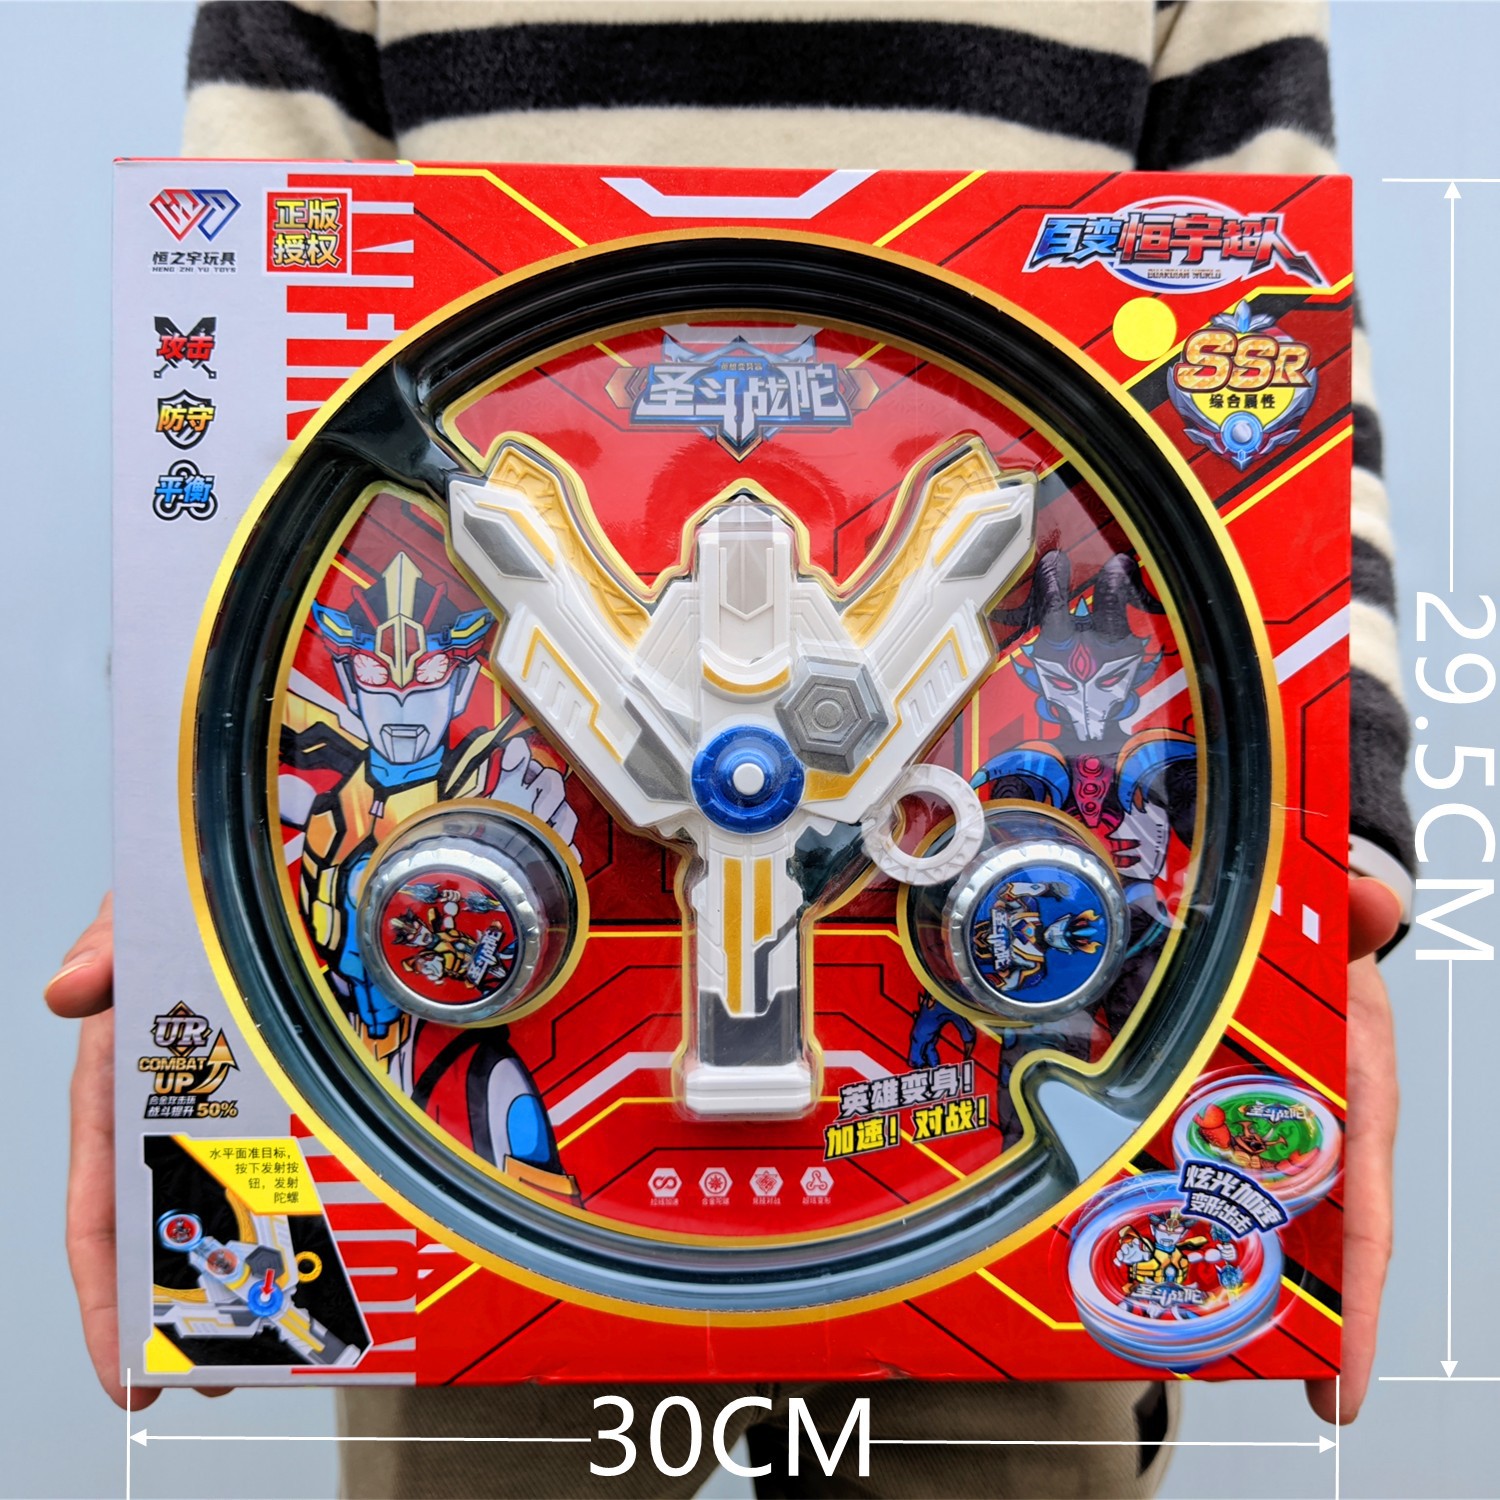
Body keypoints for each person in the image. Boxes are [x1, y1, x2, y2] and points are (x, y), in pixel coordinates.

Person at [48, 4, 1410, 1496]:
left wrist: (1319, 884)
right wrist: (182, 916)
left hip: (999, 1046)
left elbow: (1262, 355)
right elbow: (238, 373)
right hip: (515, 1056)